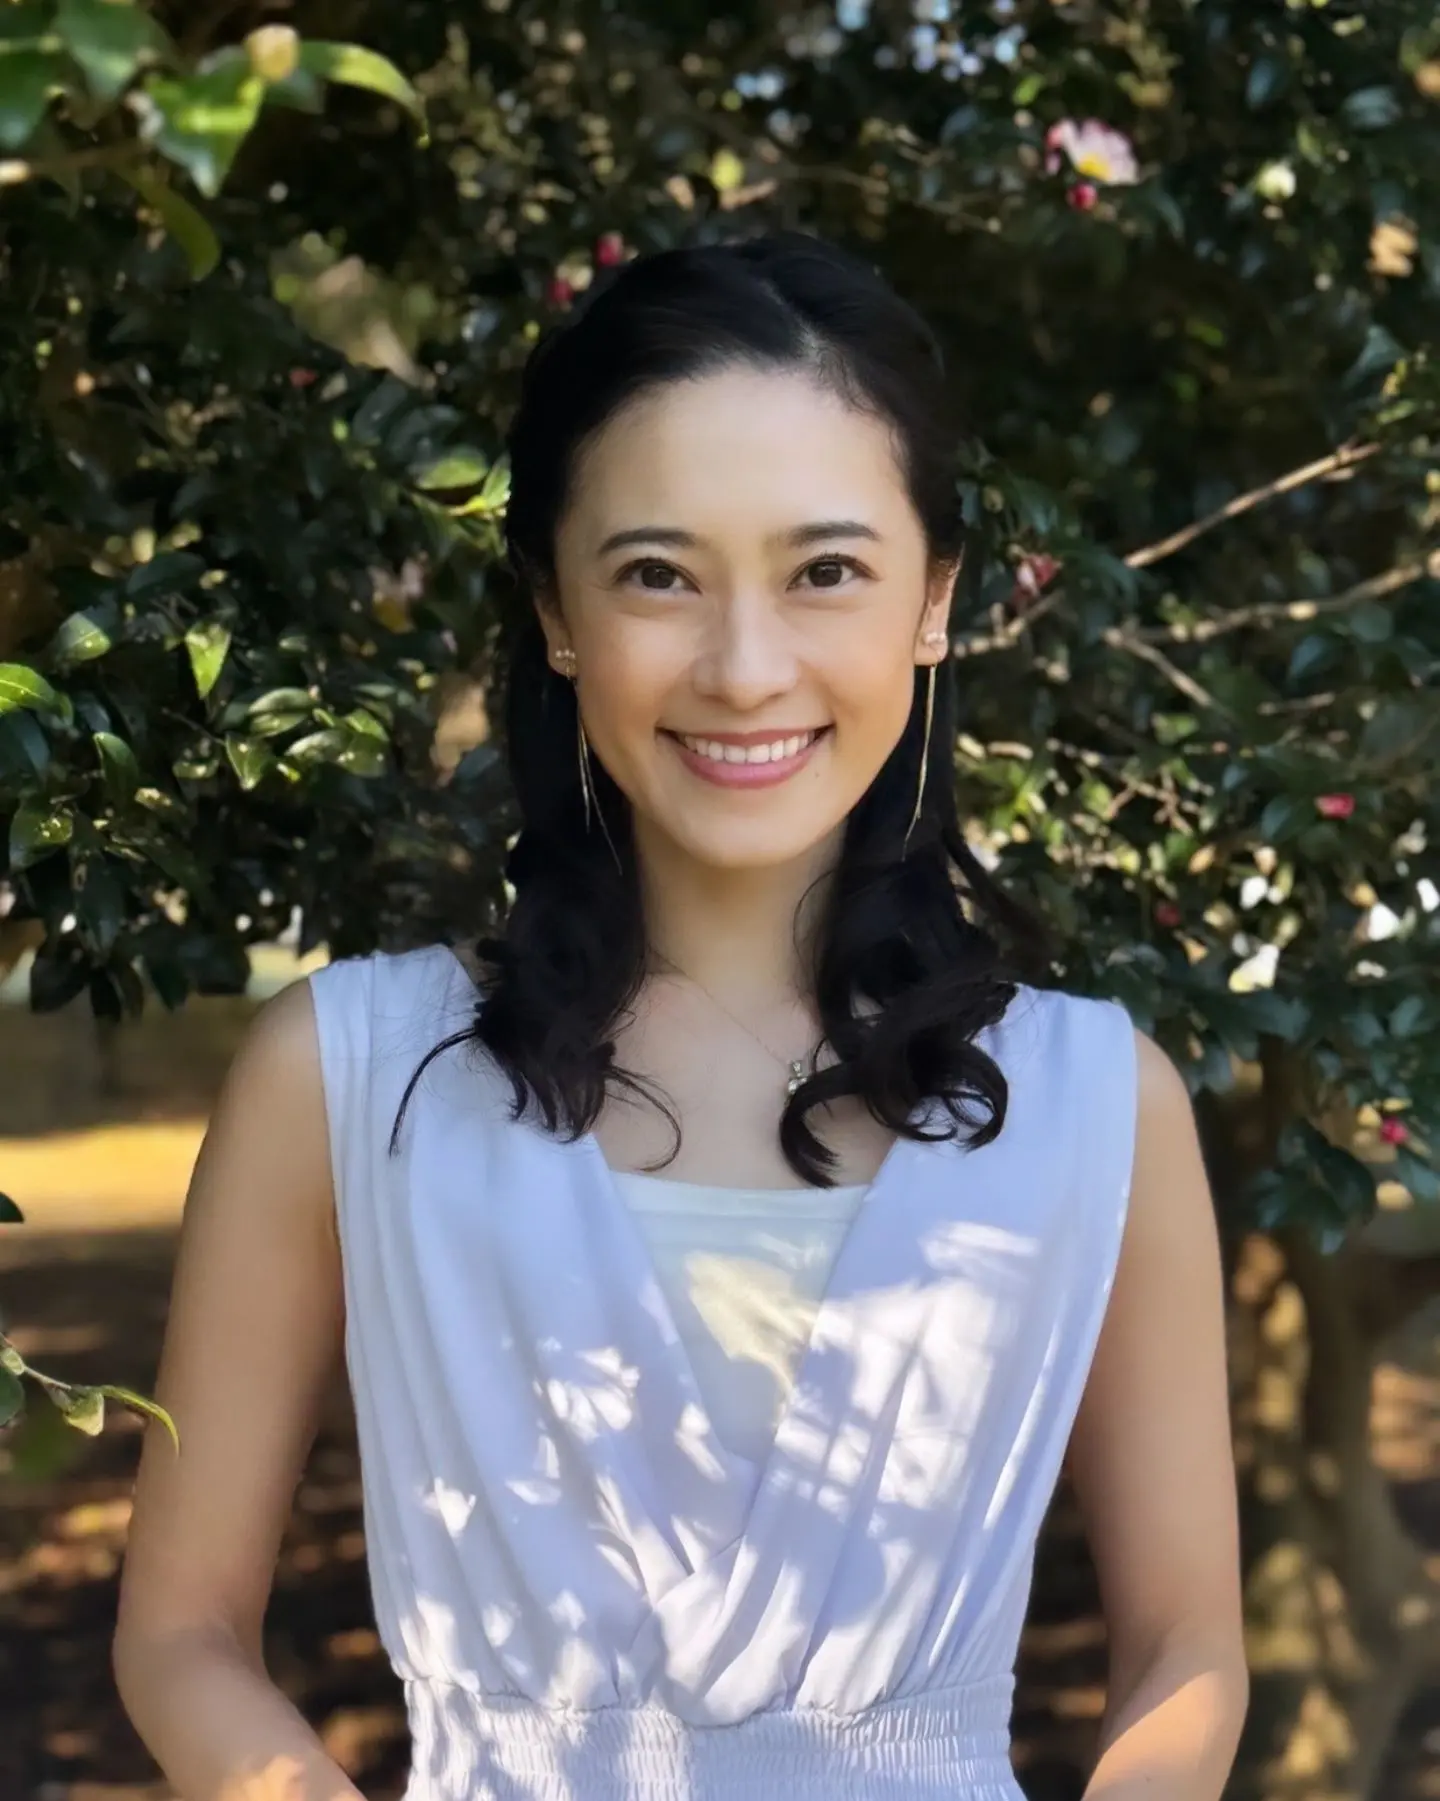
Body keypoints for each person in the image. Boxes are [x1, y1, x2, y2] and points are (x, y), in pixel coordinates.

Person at [112, 232, 1248, 1801]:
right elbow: (180, 1631)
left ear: (934, 600)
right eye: (659, 575)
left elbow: (1189, 1648)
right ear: (556, 608)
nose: (745, 667)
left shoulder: (1096, 1104)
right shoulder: (347, 1077)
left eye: (825, 572)